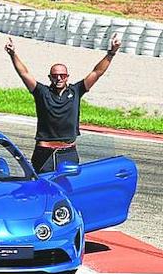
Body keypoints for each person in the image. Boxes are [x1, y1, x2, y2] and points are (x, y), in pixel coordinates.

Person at [6, 33, 122, 172]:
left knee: (70, 189)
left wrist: (112, 52)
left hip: (68, 151)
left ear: (67, 77)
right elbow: (24, 73)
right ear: (50, 77)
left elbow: (97, 72)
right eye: (55, 76)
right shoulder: (42, 92)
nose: (59, 78)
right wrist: (13, 54)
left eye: (62, 75)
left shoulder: (76, 91)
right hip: (44, 152)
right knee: (43, 190)